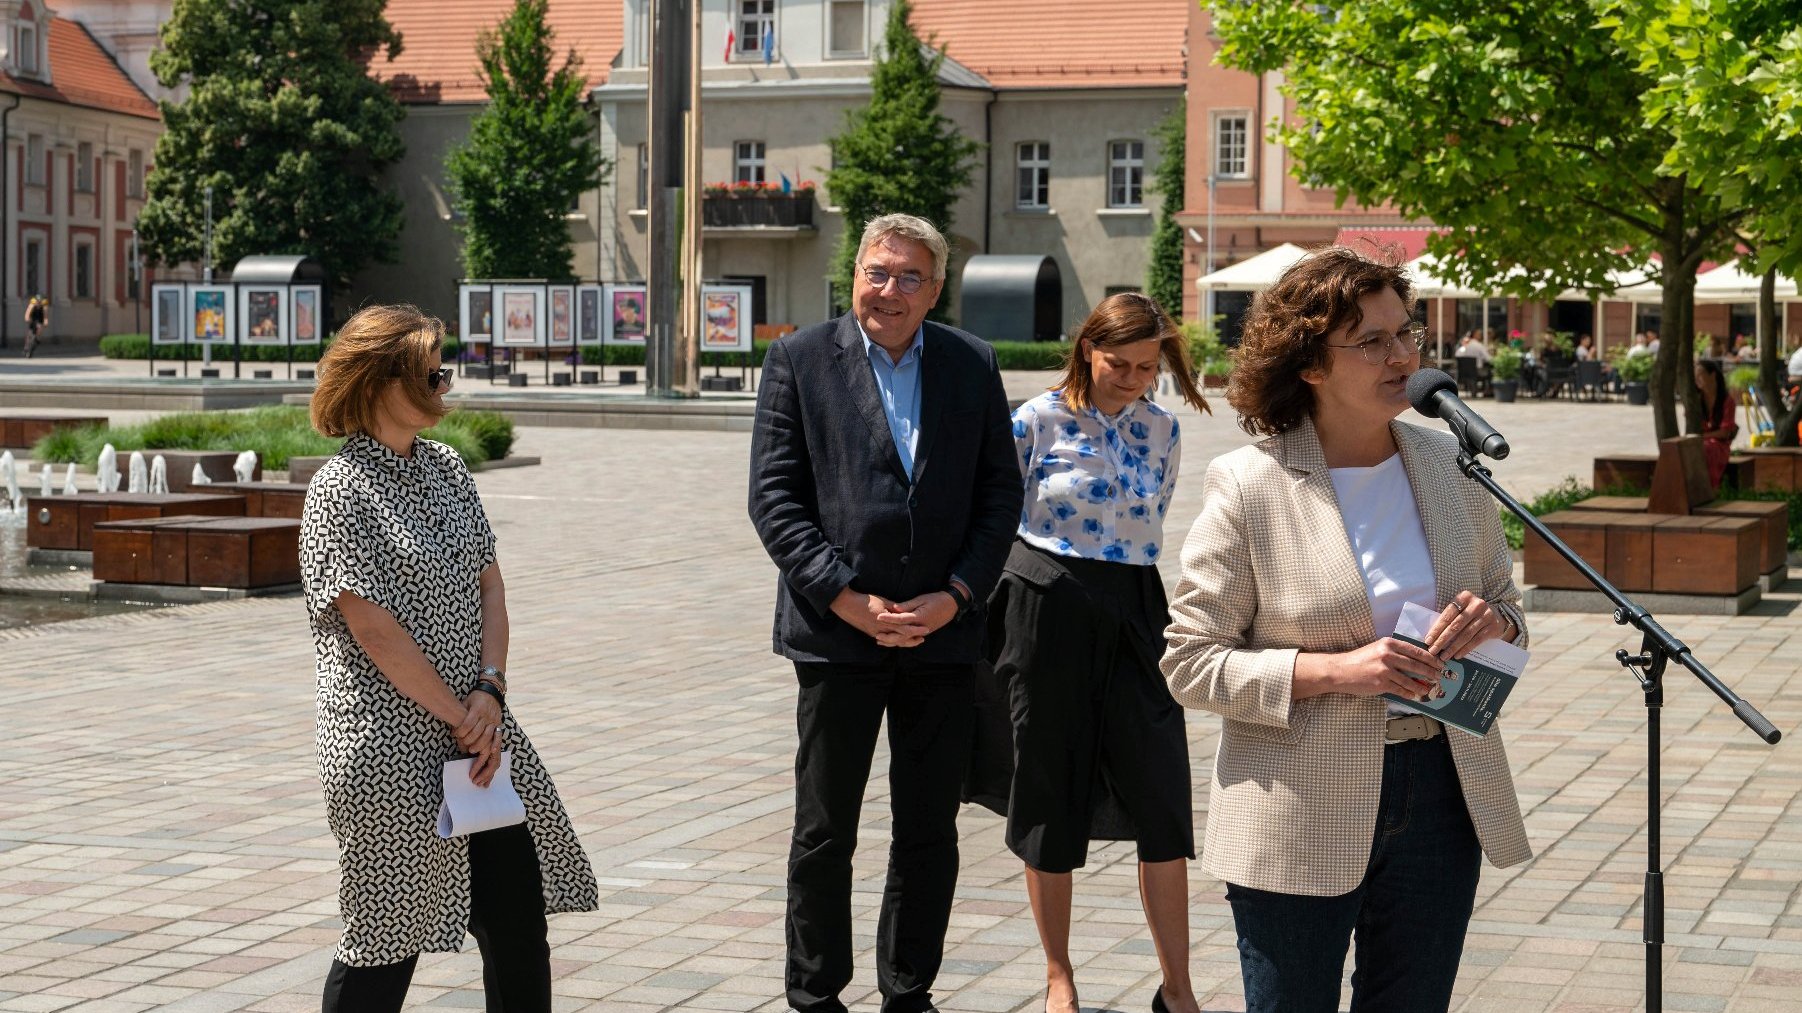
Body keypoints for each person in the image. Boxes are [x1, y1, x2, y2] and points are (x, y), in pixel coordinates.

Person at [1160, 247, 1532, 1012]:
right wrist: (1334, 671)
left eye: (1406, 333)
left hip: (1439, 786)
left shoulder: (1450, 464)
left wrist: (1494, 620)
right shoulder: (1250, 482)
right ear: (1311, 364)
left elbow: (1508, 608)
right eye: (1371, 341)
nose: (1402, 355)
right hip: (1298, 796)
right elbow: (1189, 661)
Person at [747, 213, 1022, 1013]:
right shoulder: (799, 360)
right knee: (825, 829)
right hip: (837, 637)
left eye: (909, 276)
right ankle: (814, 991)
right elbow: (774, 497)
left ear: (936, 290)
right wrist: (844, 596)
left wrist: (958, 594)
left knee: (929, 828)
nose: (889, 289)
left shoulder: (972, 364)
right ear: (854, 273)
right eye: (877, 270)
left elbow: (1000, 494)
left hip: (942, 637)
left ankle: (908, 989)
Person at [301, 304, 597, 1012]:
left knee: (519, 923)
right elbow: (373, 630)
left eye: (442, 368)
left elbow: (490, 582)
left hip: (478, 739)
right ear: (378, 380)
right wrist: (463, 717)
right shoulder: (339, 491)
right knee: (385, 940)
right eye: (427, 371)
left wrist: (489, 694)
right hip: (390, 749)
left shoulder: (447, 466)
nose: (443, 380)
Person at [977, 293, 1210, 1013]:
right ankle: (1059, 977)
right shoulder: (1032, 420)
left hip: (1138, 608)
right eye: (1120, 363)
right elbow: (997, 520)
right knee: (1048, 792)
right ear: (1087, 348)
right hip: (1045, 605)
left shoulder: (1164, 428)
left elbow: (1155, 520)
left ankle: (1177, 988)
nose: (1134, 378)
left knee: (1163, 799)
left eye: (1147, 367)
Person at [1694, 357, 1739, 488]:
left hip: (1719, 445)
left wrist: (1703, 436)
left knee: (1708, 449)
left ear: (1712, 375)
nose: (1697, 379)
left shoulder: (1726, 401)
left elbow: (1725, 432)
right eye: (1695, 376)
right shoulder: (1696, 401)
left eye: (1700, 375)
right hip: (1701, 441)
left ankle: (1710, 488)